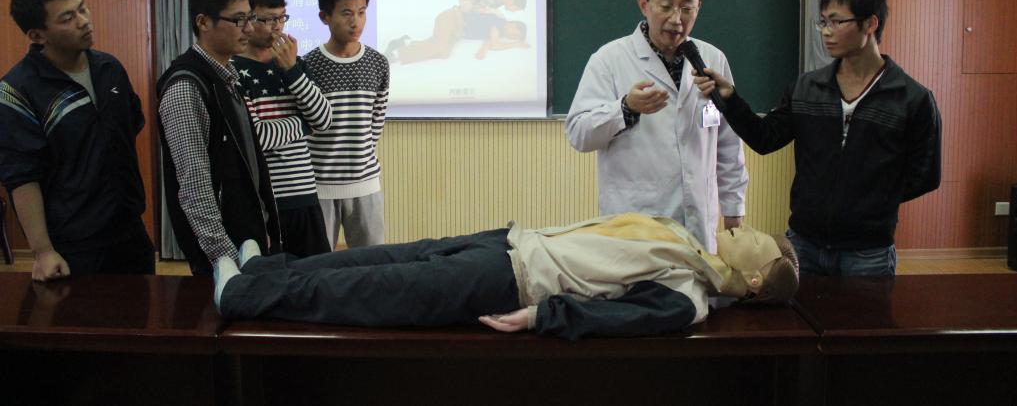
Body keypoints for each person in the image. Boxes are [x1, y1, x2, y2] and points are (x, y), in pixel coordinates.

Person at [212, 213, 798, 341]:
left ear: (752, 282)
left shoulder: (688, 295)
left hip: (509, 281)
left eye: (757, 243)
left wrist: (541, 316)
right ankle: (264, 270)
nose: (748, 230)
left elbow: (618, 317)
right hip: (507, 243)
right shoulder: (690, 244)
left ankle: (240, 294)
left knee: (367, 293)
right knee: (376, 259)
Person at [694, 0, 942, 276]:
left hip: (868, 251)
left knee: (865, 310)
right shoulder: (807, 88)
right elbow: (765, 138)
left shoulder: (911, 98)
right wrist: (730, 99)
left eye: (836, 22)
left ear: (870, 24)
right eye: (823, 22)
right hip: (804, 243)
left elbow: (925, 176)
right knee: (798, 307)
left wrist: (872, 202)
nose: (826, 31)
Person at [565, 0, 749, 251]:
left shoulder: (712, 59)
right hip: (636, 227)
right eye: (666, 6)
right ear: (644, 5)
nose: (676, 19)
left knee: (701, 280)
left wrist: (734, 212)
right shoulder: (609, 60)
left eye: (687, 9)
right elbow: (579, 134)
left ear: (698, 8)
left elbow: (728, 145)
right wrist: (625, 108)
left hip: (699, 224)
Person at [0, 0, 153, 281]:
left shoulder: (109, 68)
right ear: (37, 35)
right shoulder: (18, 91)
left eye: (82, 9)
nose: (84, 21)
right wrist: (43, 251)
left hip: (129, 230)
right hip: (74, 245)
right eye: (67, 18)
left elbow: (130, 125)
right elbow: (22, 178)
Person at [156, 0, 281, 274]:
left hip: (247, 241)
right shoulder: (187, 87)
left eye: (250, 18)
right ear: (203, 22)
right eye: (237, 20)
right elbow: (194, 185)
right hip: (225, 257)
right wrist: (225, 258)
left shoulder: (226, 78)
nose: (248, 28)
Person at [232, 0, 333, 258]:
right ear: (246, 19)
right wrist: (303, 125)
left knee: (316, 276)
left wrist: (292, 71)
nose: (276, 28)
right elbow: (257, 137)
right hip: (267, 200)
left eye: (281, 18)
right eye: (266, 19)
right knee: (272, 278)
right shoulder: (234, 70)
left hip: (305, 196)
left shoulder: (293, 64)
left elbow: (324, 119)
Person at [305, 0, 389, 249]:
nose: (356, 22)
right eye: (346, 13)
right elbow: (306, 125)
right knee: (316, 264)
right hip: (319, 187)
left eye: (361, 12)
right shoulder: (308, 65)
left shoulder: (378, 63)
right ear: (325, 17)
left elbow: (376, 123)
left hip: (366, 185)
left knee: (372, 264)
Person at [384, 6, 528, 64]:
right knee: (439, 46)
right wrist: (516, 44)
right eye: (515, 34)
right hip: (452, 19)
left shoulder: (498, 28)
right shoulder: (499, 22)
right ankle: (395, 55)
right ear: (513, 24)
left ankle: (404, 43)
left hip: (455, 31)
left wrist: (483, 50)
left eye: (514, 38)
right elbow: (495, 44)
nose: (512, 37)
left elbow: (490, 41)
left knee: (444, 53)